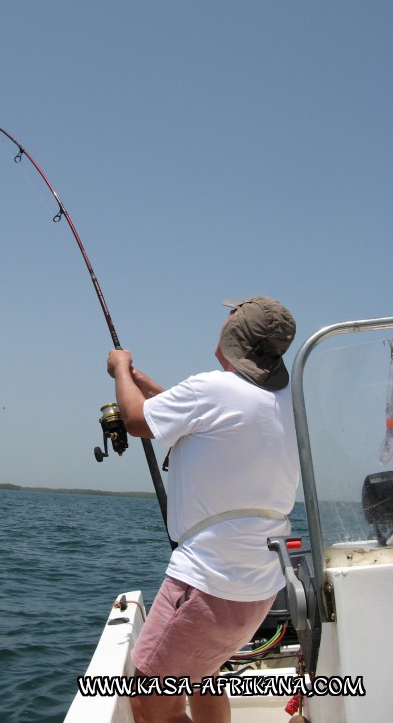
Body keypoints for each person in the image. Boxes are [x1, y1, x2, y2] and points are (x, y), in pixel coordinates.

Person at [106, 296, 299, 723]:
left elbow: (137, 422)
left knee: (151, 700)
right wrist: (154, 390)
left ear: (236, 332)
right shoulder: (287, 400)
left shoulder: (212, 387)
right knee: (203, 674)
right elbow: (217, 423)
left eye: (231, 315)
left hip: (207, 586)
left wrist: (120, 369)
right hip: (257, 589)